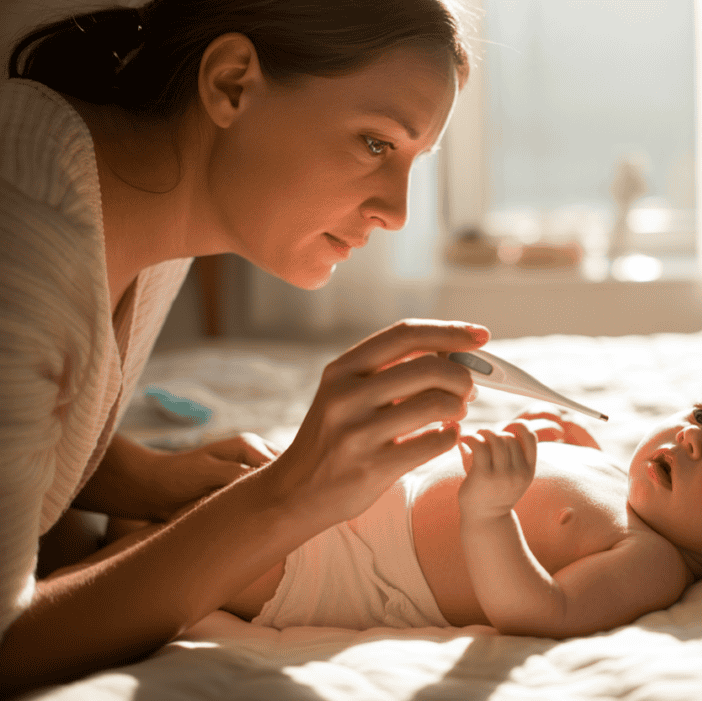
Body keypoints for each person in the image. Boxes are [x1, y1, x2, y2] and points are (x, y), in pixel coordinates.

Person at [0, 0, 486, 694]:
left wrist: (142, 474)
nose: (398, 212)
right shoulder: (24, 245)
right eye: (376, 143)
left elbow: (39, 403)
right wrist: (287, 497)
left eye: (412, 161)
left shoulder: (139, 197)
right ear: (231, 82)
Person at [93, 361, 702, 638]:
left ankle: (72, 568)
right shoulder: (627, 480)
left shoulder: (653, 563)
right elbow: (543, 484)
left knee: (164, 564)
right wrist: (546, 440)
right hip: (351, 497)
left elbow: (536, 610)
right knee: (205, 480)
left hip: (331, 569)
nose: (690, 436)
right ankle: (89, 520)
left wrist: (490, 514)